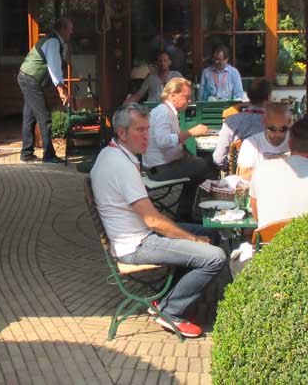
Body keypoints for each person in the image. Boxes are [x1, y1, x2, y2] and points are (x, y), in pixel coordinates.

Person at [91, 104, 227, 339]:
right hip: (136, 244)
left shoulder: (111, 153)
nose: (147, 136)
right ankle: (171, 311)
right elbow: (153, 220)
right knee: (216, 257)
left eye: (148, 129)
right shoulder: (121, 165)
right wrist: (194, 240)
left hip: (138, 234)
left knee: (211, 233)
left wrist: (193, 238)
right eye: (140, 130)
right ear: (122, 132)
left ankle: (171, 297)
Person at [143, 77, 215, 221]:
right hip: (161, 169)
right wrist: (191, 132)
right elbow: (163, 141)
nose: (189, 101)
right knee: (209, 166)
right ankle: (206, 213)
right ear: (173, 95)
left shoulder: (165, 111)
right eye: (186, 97)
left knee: (198, 167)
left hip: (160, 166)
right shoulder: (164, 113)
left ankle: (185, 214)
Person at [18, 16, 72, 163]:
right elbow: (54, 68)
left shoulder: (53, 40)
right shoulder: (53, 42)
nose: (71, 32)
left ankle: (26, 154)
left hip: (26, 77)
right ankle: (49, 155)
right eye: (70, 29)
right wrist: (61, 89)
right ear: (63, 29)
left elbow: (60, 62)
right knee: (44, 117)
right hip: (31, 79)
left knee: (29, 117)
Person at [212, 77, 272, 168]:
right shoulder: (276, 126)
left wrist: (231, 168)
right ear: (269, 98)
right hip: (268, 172)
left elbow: (218, 159)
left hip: (239, 174)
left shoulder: (230, 121)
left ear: (248, 96)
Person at [235, 103, 292, 182]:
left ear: (289, 123)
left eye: (283, 129)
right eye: (272, 129)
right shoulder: (251, 143)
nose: (277, 134)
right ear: (265, 122)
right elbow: (244, 175)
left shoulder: (296, 142)